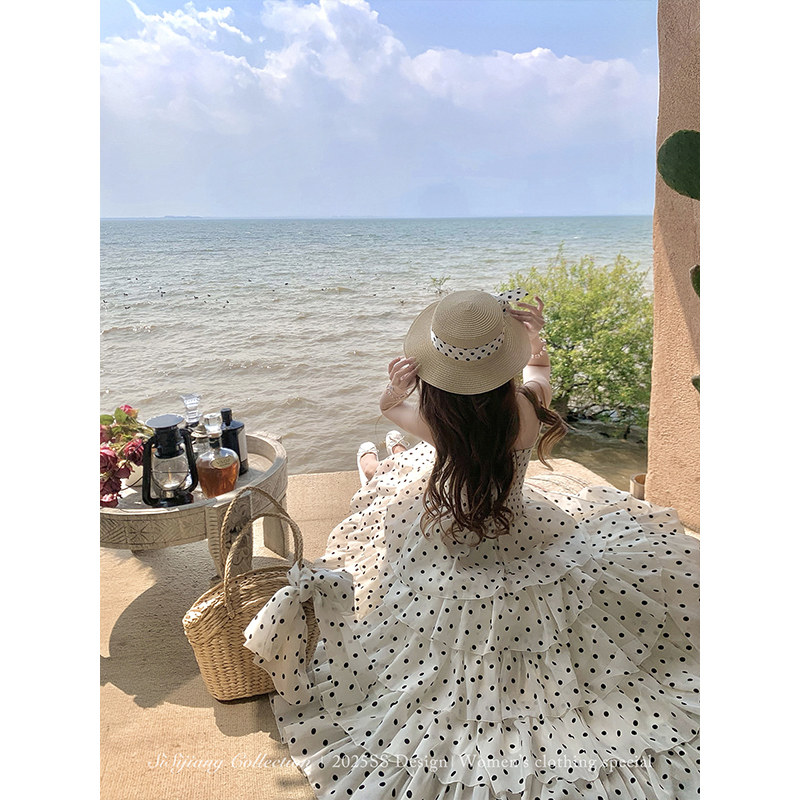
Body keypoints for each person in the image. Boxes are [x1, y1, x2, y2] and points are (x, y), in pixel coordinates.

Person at [245, 289, 700, 799]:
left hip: (455, 543)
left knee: (407, 484)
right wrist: (535, 339)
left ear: (438, 376)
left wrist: (397, 388)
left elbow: (389, 406)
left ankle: (376, 464)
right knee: (415, 470)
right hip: (523, 533)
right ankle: (384, 461)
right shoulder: (526, 410)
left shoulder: (439, 423)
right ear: (502, 364)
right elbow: (539, 373)